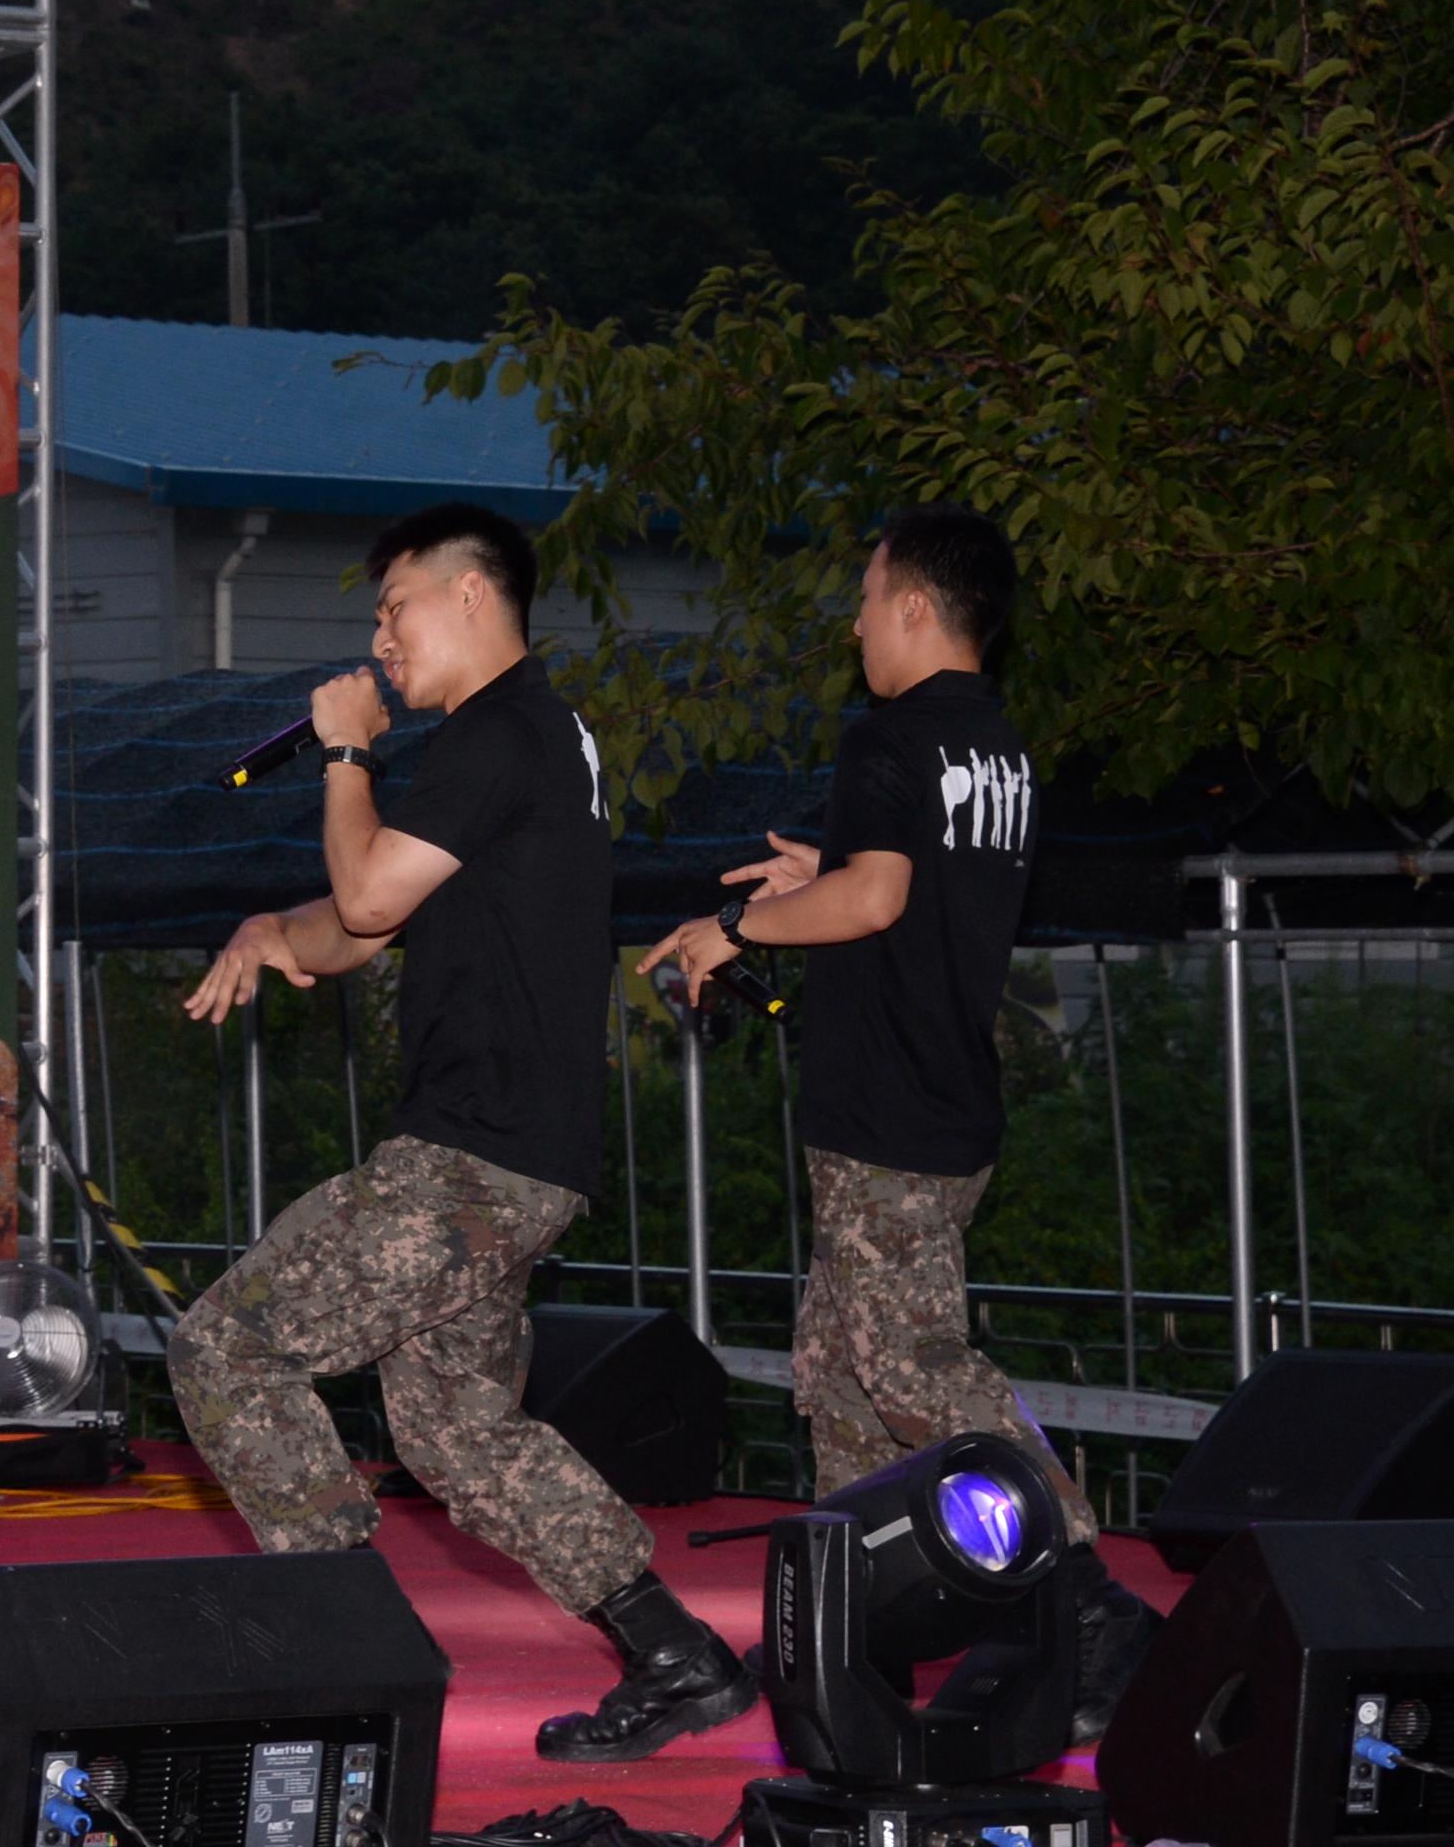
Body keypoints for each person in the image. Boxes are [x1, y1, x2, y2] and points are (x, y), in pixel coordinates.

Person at [166, 501, 755, 1766]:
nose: (378, 639)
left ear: (474, 595)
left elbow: (367, 880)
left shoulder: (498, 732)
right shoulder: (523, 741)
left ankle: (344, 1651)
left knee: (226, 1346)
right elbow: (366, 922)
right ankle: (674, 1652)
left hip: (467, 1159)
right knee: (454, 1430)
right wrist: (273, 930)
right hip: (514, 1156)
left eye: (395, 607)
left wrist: (341, 754)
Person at [640, 501, 1159, 1740]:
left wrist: (742, 925)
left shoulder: (885, 736)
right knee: (836, 1372)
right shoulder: (992, 750)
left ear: (915, 608)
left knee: (909, 1365)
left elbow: (876, 900)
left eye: (867, 596)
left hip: (888, 1114)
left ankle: (1090, 1605)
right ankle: (854, 1623)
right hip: (937, 1098)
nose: (855, 618)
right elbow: (903, 895)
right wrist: (817, 880)